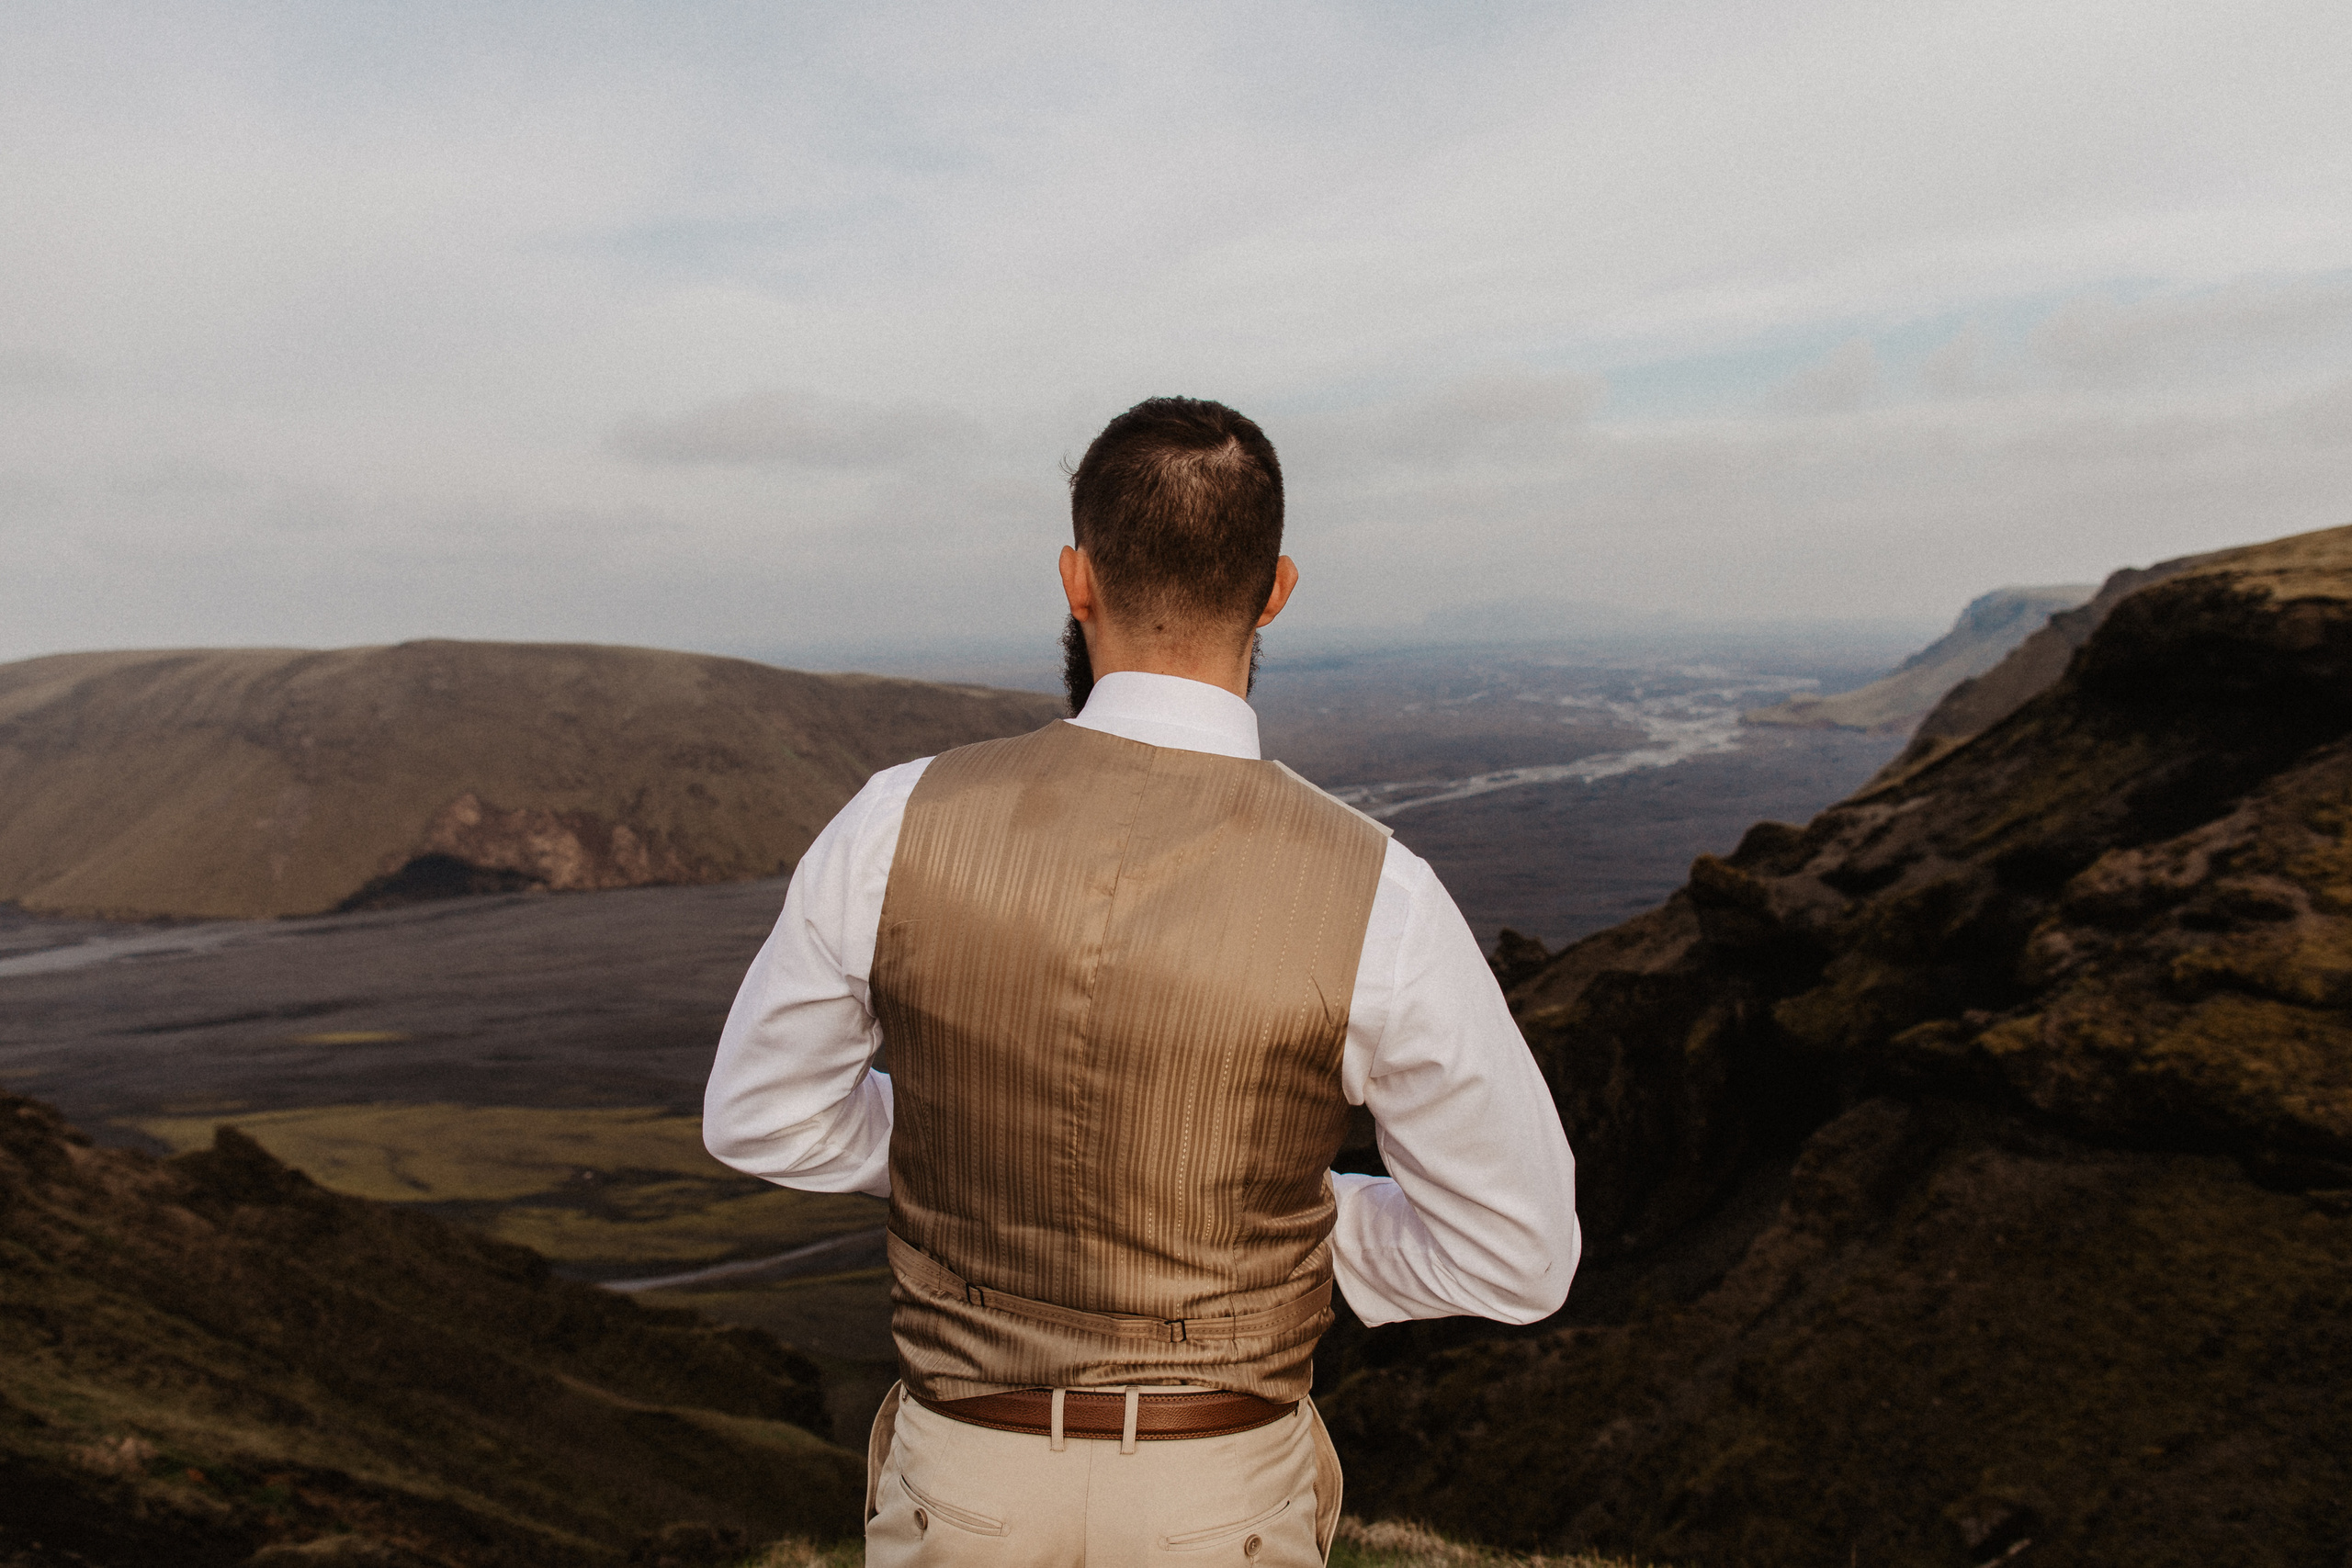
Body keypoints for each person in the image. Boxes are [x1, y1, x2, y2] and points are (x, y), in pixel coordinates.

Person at [704, 397, 1578, 1567]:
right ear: (1275, 589)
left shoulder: (896, 818)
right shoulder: (1383, 891)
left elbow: (761, 1119)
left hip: (966, 1481)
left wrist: (972, 1149)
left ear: (1076, 579)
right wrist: (1257, 1214)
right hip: (1219, 1497)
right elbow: (1516, 1258)